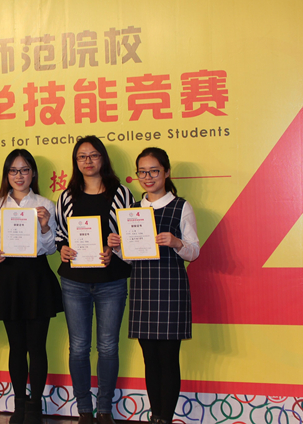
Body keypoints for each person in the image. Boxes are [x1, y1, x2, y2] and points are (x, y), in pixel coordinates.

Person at [107, 147, 199, 424]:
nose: (148, 177)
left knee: (168, 358)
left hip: (170, 288)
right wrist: (117, 247)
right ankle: (155, 416)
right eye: (142, 172)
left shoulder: (181, 206)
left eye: (154, 171)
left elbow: (194, 251)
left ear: (166, 172)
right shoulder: (132, 210)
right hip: (143, 288)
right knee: (150, 359)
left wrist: (177, 242)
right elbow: (130, 257)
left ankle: (165, 418)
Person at [55, 136, 134, 424]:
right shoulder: (67, 196)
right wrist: (62, 248)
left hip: (111, 281)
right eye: (81, 156)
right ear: (76, 162)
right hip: (74, 282)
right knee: (78, 347)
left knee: (108, 347)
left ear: (103, 158)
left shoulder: (121, 193)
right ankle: (84, 410)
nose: (87, 161)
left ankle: (104, 409)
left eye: (93, 155)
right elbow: (60, 234)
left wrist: (116, 248)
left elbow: (132, 233)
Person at [0, 150, 63, 424]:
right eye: (13, 170)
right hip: (9, 278)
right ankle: (19, 402)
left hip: (37, 278)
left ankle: (35, 405)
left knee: (37, 346)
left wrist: (44, 225)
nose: (19, 176)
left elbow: (51, 248)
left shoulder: (45, 204)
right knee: (16, 346)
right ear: (7, 175)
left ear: (33, 173)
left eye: (24, 170)